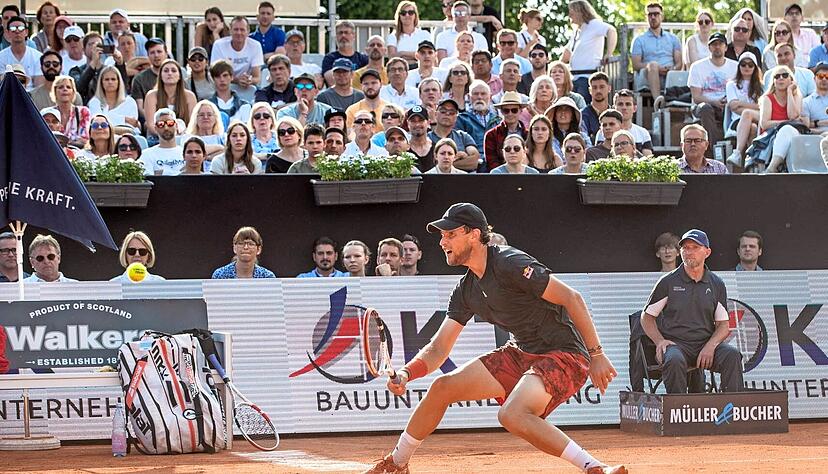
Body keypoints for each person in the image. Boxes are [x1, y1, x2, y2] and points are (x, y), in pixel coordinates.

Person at [364, 202, 624, 474]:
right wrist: (406, 373)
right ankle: (398, 463)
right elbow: (439, 347)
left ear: (474, 235)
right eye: (442, 236)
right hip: (521, 353)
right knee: (442, 388)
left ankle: (595, 467)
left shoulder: (510, 263)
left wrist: (596, 354)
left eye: (450, 234)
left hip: (564, 355)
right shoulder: (466, 289)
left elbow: (572, 298)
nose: (442, 242)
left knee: (512, 414)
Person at [641, 228, 744, 394]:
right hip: (677, 345)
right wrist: (660, 341)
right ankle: (678, 411)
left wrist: (711, 345)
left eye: (695, 247)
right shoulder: (668, 281)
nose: (689, 252)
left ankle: (734, 410)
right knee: (673, 359)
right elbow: (646, 317)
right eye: (685, 248)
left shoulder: (716, 283)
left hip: (705, 344)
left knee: (732, 355)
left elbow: (723, 325)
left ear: (707, 252)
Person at [688, 32, 738, 159]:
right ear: (709, 48)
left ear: (726, 47)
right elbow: (696, 97)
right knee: (705, 108)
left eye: (720, 44)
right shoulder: (697, 67)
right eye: (714, 44)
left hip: (728, 106)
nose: (717, 47)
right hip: (704, 108)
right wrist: (714, 102)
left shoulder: (735, 66)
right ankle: (714, 151)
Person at [562, 1, 617, 104]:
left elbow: (611, 31)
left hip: (586, 77)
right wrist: (557, 66)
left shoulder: (594, 24)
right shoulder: (577, 32)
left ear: (580, 11)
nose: (569, 15)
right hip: (573, 79)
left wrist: (609, 53)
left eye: (572, 12)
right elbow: (567, 53)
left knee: (582, 110)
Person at [631, 2, 682, 94]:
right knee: (653, 65)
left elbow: (679, 64)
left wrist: (671, 69)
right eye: (650, 14)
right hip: (647, 78)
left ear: (661, 16)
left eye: (656, 14)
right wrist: (655, 68)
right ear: (646, 17)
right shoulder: (639, 40)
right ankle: (658, 103)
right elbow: (635, 65)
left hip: (669, 75)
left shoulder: (673, 39)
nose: (653, 17)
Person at [760, 65, 804, 173]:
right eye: (777, 76)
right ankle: (774, 167)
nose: (781, 78)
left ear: (791, 80)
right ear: (773, 81)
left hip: (793, 135)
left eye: (785, 75)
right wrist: (785, 123)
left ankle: (772, 168)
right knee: (786, 129)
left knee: (788, 130)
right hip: (772, 136)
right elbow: (764, 124)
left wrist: (789, 92)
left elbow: (792, 116)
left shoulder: (796, 96)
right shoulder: (767, 98)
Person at [210, 16, 263, 102]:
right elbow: (216, 73)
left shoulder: (255, 45)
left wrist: (249, 80)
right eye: (236, 29)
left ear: (248, 31)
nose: (239, 33)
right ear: (230, 31)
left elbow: (257, 78)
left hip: (247, 86)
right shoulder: (219, 45)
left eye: (242, 30)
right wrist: (237, 80)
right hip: (224, 84)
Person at [725, 52, 763, 167]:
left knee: (747, 114)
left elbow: (763, 106)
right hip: (737, 121)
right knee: (752, 127)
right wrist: (754, 107)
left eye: (750, 65)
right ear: (739, 66)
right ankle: (750, 158)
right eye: (743, 64)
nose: (747, 67)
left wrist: (741, 104)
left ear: (755, 67)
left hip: (759, 118)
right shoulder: (731, 84)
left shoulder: (762, 85)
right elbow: (733, 106)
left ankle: (737, 153)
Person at [144, 59, 197, 138]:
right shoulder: (151, 95)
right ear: (160, 76)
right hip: (157, 138)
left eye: (173, 70)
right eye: (166, 71)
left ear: (179, 76)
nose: (169, 73)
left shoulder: (190, 96)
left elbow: (192, 123)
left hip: (183, 138)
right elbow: (151, 125)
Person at [595, 89, 654, 156]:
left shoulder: (643, 133)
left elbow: (648, 160)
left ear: (634, 108)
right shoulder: (603, 132)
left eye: (628, 104)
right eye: (620, 104)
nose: (624, 107)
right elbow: (598, 154)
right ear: (614, 107)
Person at [429, 98, 479, 172]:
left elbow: (474, 161)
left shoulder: (463, 136)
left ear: (456, 117)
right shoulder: (427, 138)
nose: (447, 114)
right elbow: (427, 165)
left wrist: (443, 163)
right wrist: (457, 159)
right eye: (443, 111)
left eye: (452, 112)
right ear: (436, 114)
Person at [456, 80, 500, 161]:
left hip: (495, 162)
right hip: (473, 163)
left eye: (483, 94)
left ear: (490, 97)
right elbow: (459, 145)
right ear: (469, 97)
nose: (479, 97)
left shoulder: (498, 121)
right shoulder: (461, 119)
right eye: (476, 94)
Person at [484, 91, 527, 171]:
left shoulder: (528, 134)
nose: (510, 114)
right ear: (501, 112)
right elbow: (492, 162)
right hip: (500, 177)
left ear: (520, 111)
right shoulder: (491, 135)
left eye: (514, 110)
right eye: (506, 111)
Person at [87, 65, 140, 130]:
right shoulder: (94, 102)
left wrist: (106, 119)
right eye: (106, 79)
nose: (110, 82)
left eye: (113, 79)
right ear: (101, 82)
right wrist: (124, 119)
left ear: (119, 81)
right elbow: (96, 124)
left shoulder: (130, 102)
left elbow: (131, 127)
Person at [211, 226, 276, 279]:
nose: (245, 247)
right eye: (241, 243)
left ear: (259, 249)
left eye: (250, 244)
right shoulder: (220, 275)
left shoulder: (267, 277)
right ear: (234, 248)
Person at [0, 16, 43, 90]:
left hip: (31, 97)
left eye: (21, 28)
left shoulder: (38, 56)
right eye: (13, 29)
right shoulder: (1, 56)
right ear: (7, 33)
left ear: (26, 32)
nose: (17, 31)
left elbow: (39, 87)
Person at [130, 38, 168, 119]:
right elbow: (140, 108)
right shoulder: (139, 79)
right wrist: (155, 121)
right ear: (148, 56)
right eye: (152, 52)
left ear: (166, 54)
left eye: (159, 51)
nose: (156, 55)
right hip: (150, 120)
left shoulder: (177, 74)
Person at [322, 20, 369, 86]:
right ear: (336, 36)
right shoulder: (329, 58)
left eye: (346, 33)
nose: (343, 35)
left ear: (353, 36)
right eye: (340, 33)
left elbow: (368, 81)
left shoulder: (363, 59)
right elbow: (332, 82)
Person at [139, 108, 183, 175]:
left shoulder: (187, 153)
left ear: (176, 126)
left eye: (170, 123)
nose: (166, 128)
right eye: (160, 124)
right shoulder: (146, 155)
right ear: (155, 128)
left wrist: (160, 172)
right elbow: (147, 178)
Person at [51, 75, 91, 148]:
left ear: (73, 93)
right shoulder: (48, 113)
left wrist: (63, 143)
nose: (65, 89)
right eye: (60, 87)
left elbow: (84, 140)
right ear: (55, 92)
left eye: (68, 87)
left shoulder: (83, 112)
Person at [209, 59, 252, 124]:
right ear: (213, 79)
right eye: (217, 76)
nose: (222, 79)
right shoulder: (208, 106)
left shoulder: (244, 106)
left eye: (225, 75)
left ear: (232, 77)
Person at [346, 69, 388, 134]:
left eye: (374, 83)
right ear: (361, 86)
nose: (370, 86)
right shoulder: (352, 110)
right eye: (366, 84)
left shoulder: (389, 108)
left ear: (381, 84)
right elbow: (349, 134)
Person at [580, 72, 612, 143]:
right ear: (590, 90)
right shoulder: (581, 115)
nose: (598, 91)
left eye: (602, 87)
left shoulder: (615, 115)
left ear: (609, 88)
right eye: (594, 87)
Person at [801, 62, 828, 135]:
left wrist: (815, 123)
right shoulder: (806, 102)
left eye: (827, 76)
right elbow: (806, 126)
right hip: (816, 138)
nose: (824, 79)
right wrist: (823, 123)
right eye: (821, 76)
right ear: (814, 79)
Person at [407, 106, 435, 171]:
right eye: (413, 121)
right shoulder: (404, 149)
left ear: (428, 122)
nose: (417, 124)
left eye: (421, 120)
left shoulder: (436, 148)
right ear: (408, 123)